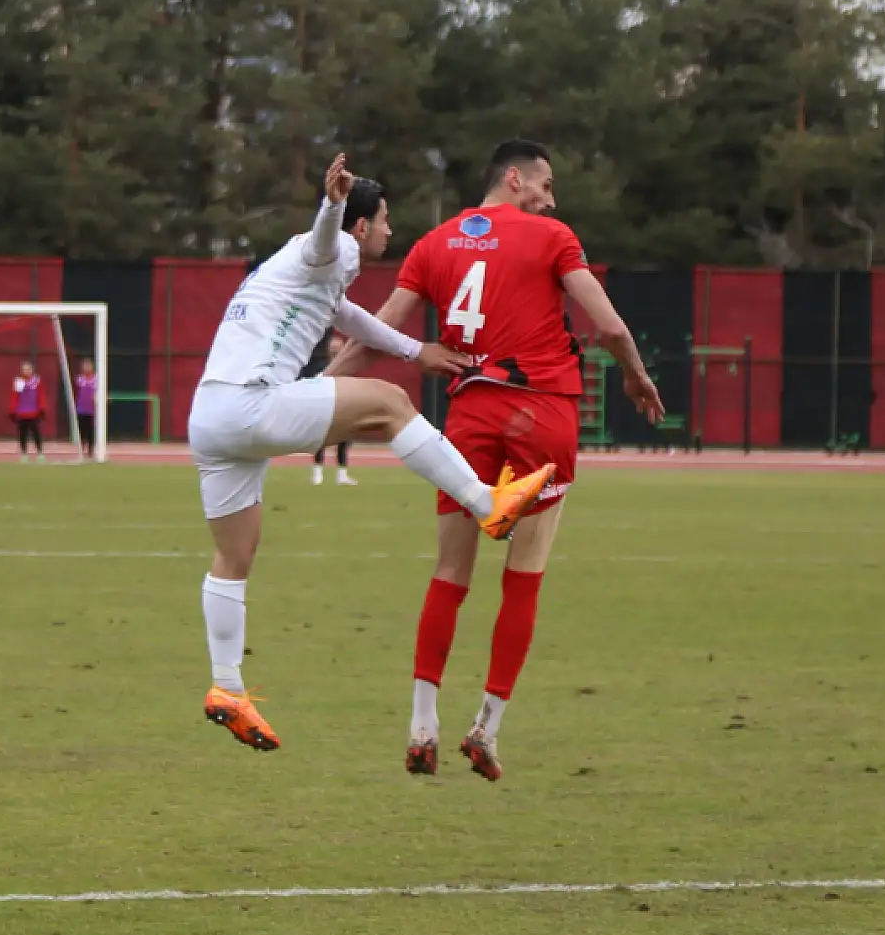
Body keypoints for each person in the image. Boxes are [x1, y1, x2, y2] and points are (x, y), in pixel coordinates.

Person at [188, 154, 557, 752]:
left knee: (234, 555)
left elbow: (350, 317)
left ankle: (226, 688)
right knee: (388, 403)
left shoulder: (298, 272)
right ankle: (486, 502)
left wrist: (417, 350)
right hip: (252, 402)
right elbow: (323, 244)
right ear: (363, 227)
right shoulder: (332, 248)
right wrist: (334, 204)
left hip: (209, 419)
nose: (391, 230)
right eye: (385, 220)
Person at [329, 138, 664, 782]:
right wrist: (634, 376)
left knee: (451, 572)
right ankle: (486, 726)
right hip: (543, 410)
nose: (552, 198)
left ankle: (421, 724)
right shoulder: (552, 237)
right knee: (525, 574)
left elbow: (373, 335)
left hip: (470, 414)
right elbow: (612, 328)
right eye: (547, 184)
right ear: (516, 179)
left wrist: (317, 390)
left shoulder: (433, 245)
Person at [304, 335, 354, 485]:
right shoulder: (321, 366)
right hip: (325, 406)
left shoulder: (348, 366)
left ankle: (342, 475)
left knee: (343, 441)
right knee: (321, 440)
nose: (335, 350)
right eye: (333, 347)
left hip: (342, 406)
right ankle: (318, 474)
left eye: (338, 347)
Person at [10, 361, 47, 463]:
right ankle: (24, 454)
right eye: (24, 369)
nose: (26, 371)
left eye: (28, 369)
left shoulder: (37, 381)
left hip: (34, 412)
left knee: (36, 433)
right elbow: (15, 397)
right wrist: (12, 410)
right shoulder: (19, 381)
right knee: (22, 434)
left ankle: (40, 453)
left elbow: (41, 395)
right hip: (22, 413)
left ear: (32, 370)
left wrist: (42, 408)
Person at [74, 358, 98, 458]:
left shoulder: (96, 379)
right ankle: (81, 448)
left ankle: (91, 449)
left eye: (88, 366)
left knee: (90, 429)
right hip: (81, 408)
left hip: (92, 409)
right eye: (84, 366)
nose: (86, 368)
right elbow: (76, 392)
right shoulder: (79, 379)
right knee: (81, 429)